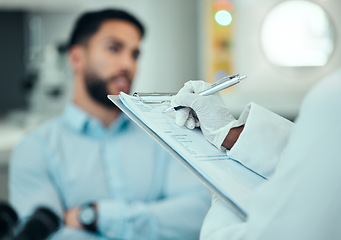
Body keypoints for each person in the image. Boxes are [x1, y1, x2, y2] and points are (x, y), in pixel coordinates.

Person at [9, 9, 210, 239]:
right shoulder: (35, 149)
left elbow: (198, 214)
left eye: (134, 54)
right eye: (114, 48)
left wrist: (96, 217)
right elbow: (46, 235)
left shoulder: (164, 135)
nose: (128, 64)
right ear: (76, 58)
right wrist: (154, 222)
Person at [170, 68, 341, 240]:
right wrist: (229, 132)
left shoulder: (332, 99)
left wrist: (225, 185)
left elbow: (276, 232)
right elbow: (307, 161)